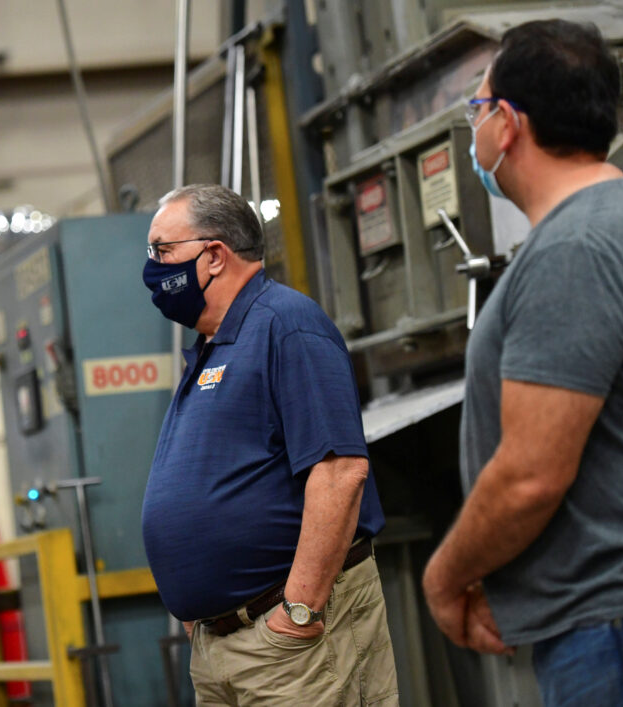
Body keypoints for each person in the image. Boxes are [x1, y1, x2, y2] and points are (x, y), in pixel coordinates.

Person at [421, 19, 623, 706]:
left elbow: (530, 475)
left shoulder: (577, 249)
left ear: (508, 123)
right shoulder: (617, 222)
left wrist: (447, 575)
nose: (474, 129)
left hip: (614, 629)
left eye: (476, 108)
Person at [140, 184, 398, 705]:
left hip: (287, 643)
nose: (152, 268)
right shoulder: (214, 347)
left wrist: (299, 611)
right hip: (225, 645)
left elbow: (340, 471)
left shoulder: (287, 325)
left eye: (162, 251)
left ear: (214, 256)